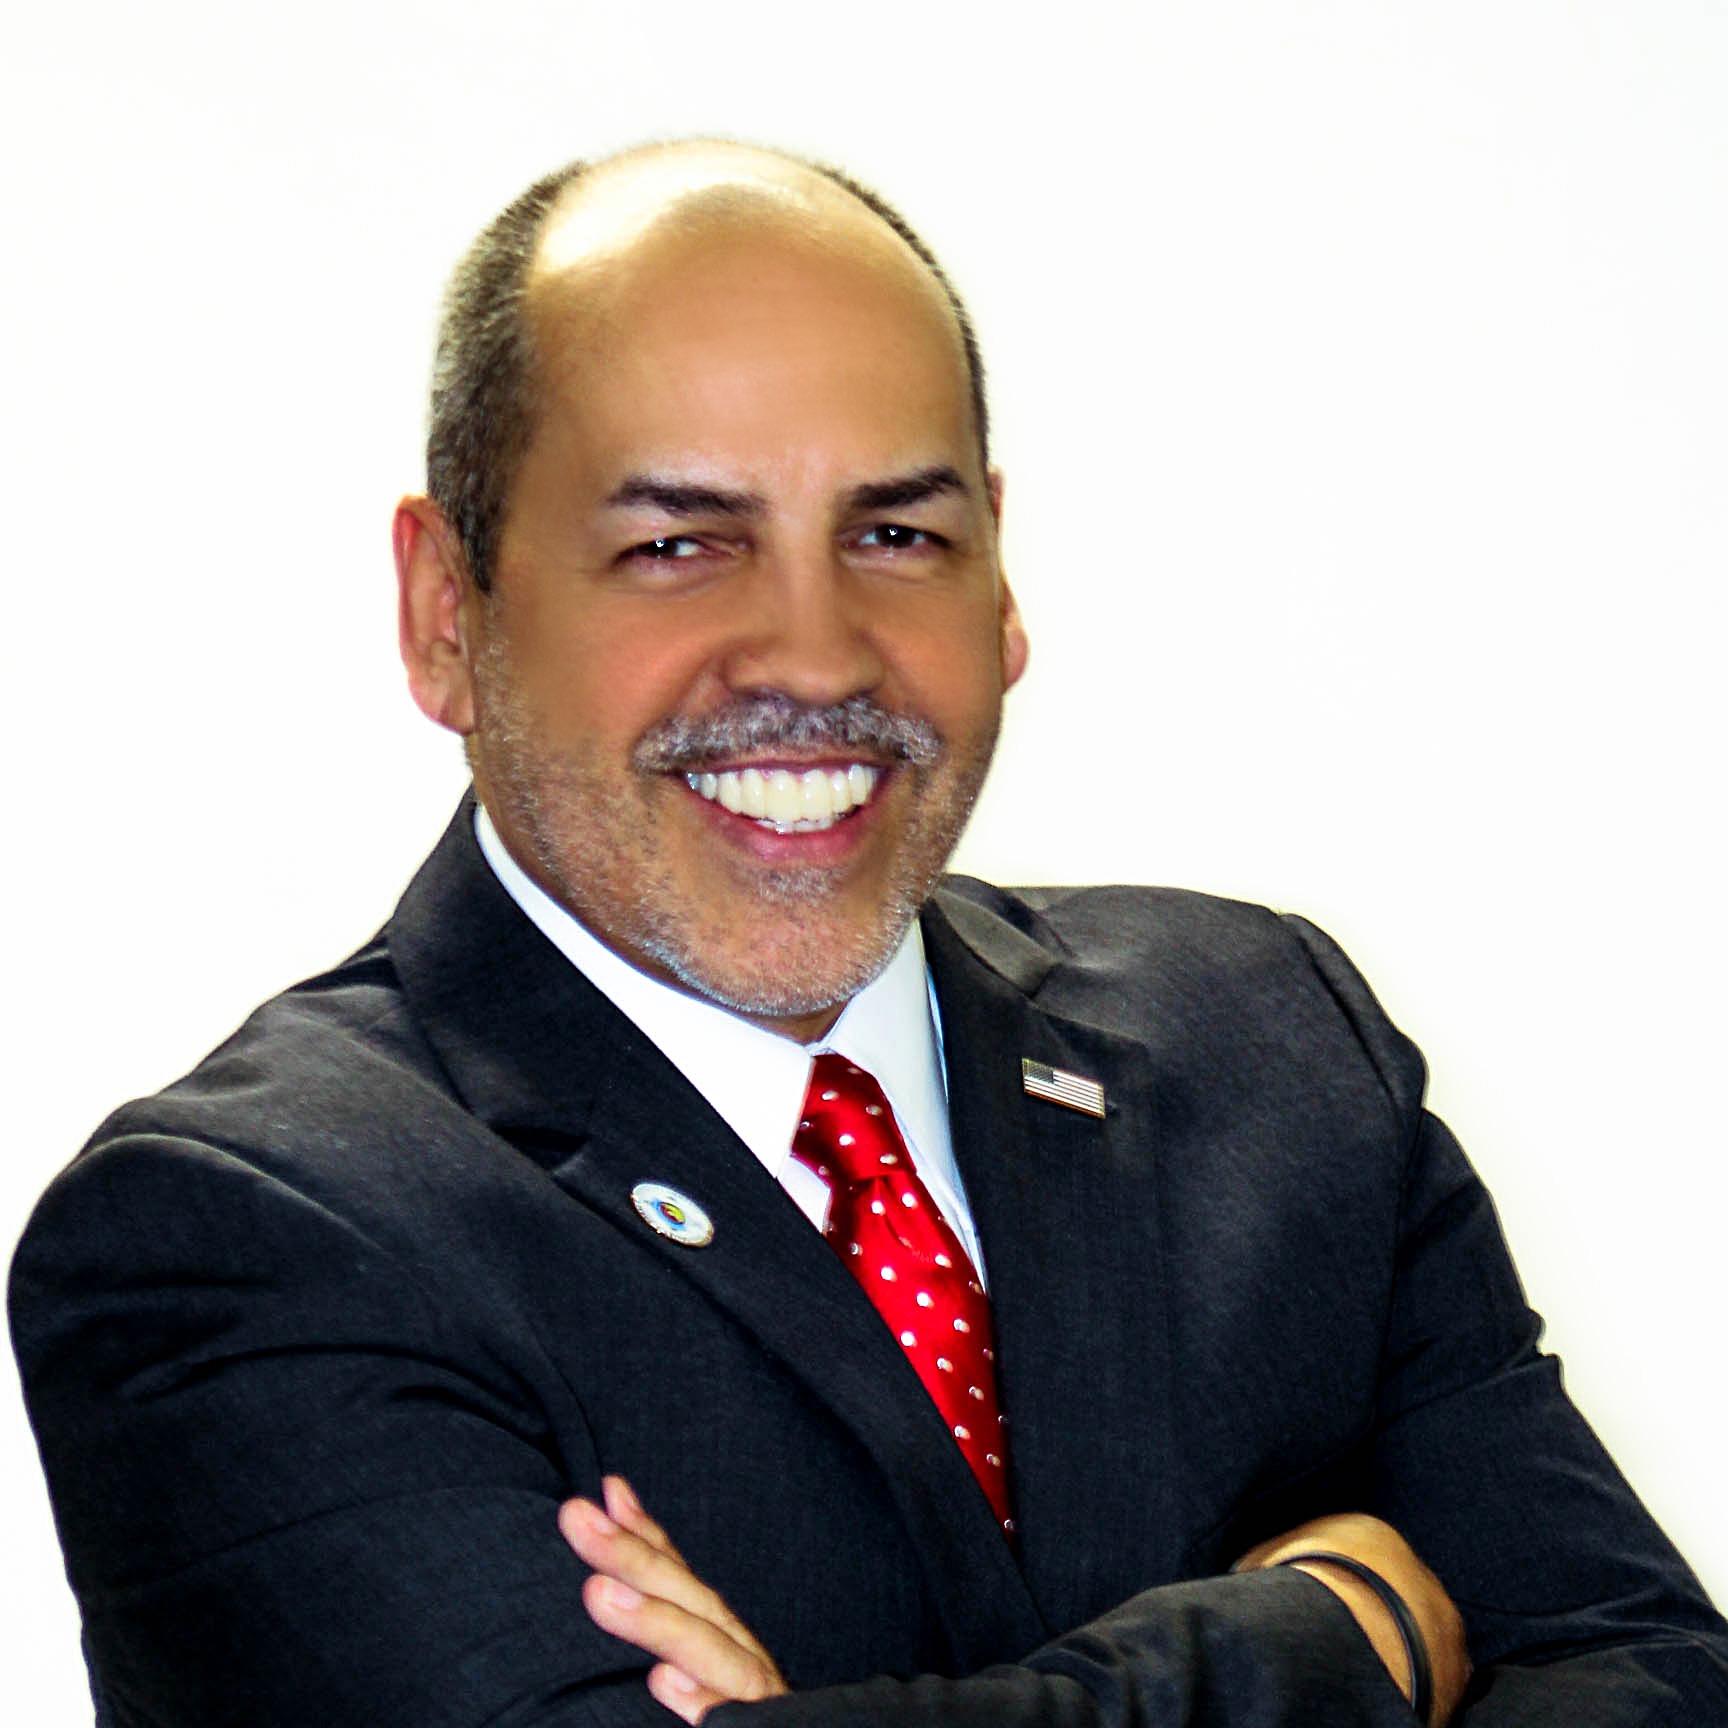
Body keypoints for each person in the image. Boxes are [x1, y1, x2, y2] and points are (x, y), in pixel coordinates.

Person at [10, 139, 1726, 1728]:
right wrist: (1329, 1641)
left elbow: (1653, 1682)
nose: (816, 655)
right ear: (446, 613)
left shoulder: (1276, 1052)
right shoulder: (240, 1238)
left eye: (895, 534)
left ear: (1003, 580)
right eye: (678, 542)